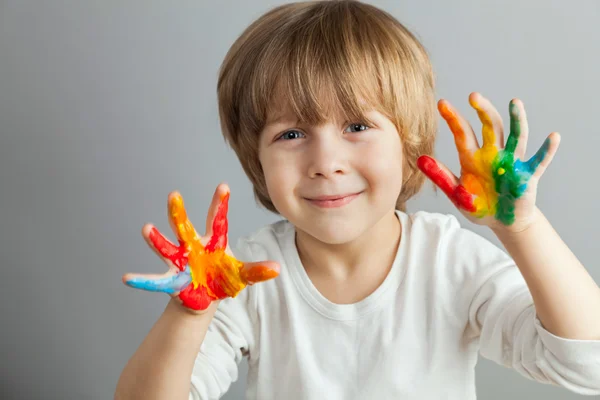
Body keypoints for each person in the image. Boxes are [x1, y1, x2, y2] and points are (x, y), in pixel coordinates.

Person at [114, 1, 600, 399]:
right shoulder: (244, 275)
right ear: (255, 157)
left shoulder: (449, 261)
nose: (327, 161)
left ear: (410, 145)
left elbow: (587, 365)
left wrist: (522, 229)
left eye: (357, 126)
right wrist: (189, 313)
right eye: (292, 133)